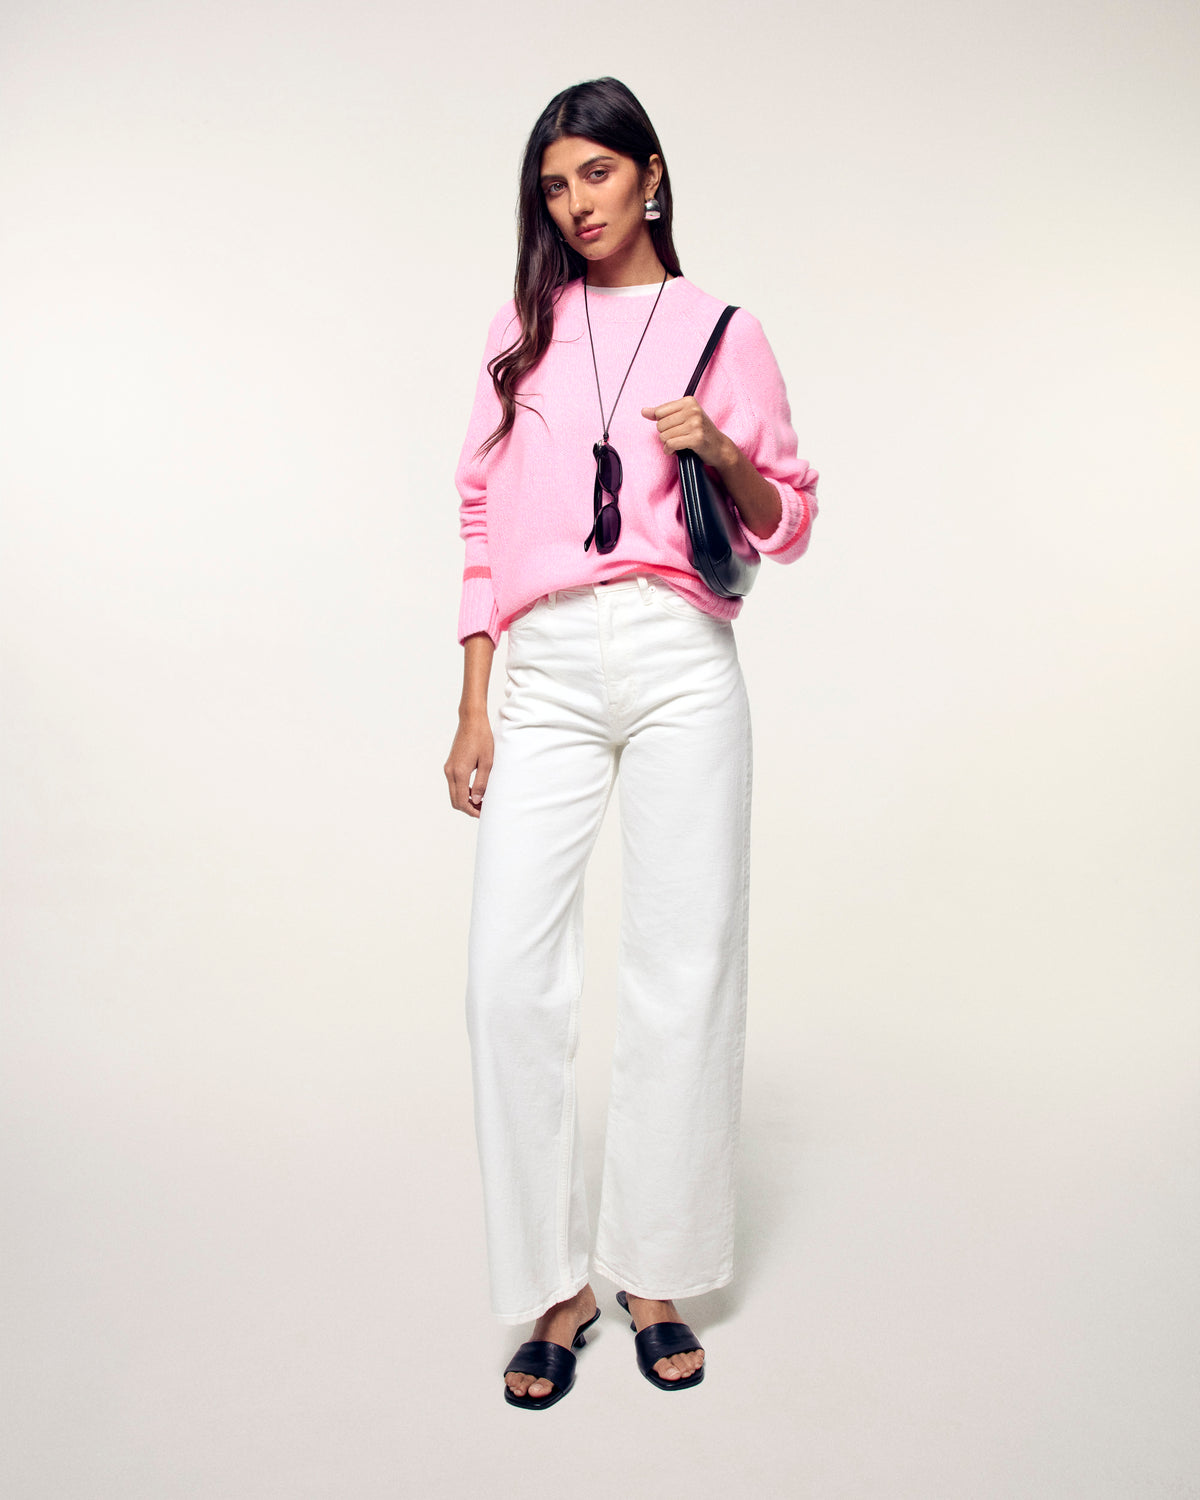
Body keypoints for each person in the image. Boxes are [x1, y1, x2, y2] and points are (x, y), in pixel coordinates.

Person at [444, 76, 819, 1409]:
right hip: (544, 667)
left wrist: (717, 446)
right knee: (507, 976)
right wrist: (475, 699)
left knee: (682, 967)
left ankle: (651, 1274)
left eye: (596, 174)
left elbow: (788, 520)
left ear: (651, 175)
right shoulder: (521, 332)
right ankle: (551, 1284)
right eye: (554, 185)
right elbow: (480, 519)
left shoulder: (725, 331)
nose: (575, 204)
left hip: (677, 658)